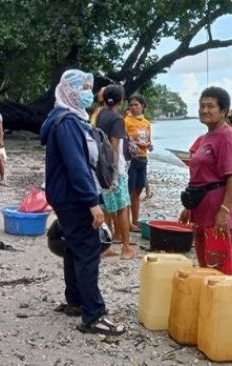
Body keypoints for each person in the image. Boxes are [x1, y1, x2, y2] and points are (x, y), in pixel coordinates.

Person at [40, 69, 125, 336]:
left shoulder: (67, 118)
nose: (89, 92)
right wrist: (92, 202)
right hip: (74, 197)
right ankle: (93, 315)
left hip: (67, 195)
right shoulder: (66, 122)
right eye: (85, 87)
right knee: (88, 251)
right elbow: (77, 166)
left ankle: (75, 301)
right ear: (71, 90)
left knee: (75, 248)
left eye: (90, 87)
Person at [179, 86, 232, 275]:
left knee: (220, 264)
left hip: (218, 208)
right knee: (205, 261)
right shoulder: (206, 137)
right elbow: (199, 176)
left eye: (211, 106)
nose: (205, 110)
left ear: (223, 111)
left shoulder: (227, 138)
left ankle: (224, 301)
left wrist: (224, 211)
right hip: (202, 207)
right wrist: (189, 207)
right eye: (202, 106)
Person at [96, 85, 134, 260]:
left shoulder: (100, 114)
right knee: (122, 208)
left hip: (99, 166)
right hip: (114, 169)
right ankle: (125, 248)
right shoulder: (118, 119)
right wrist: (114, 174)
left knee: (105, 208)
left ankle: (106, 246)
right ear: (121, 100)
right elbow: (114, 147)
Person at [124, 95, 152, 232]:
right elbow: (123, 141)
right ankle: (127, 222)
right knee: (129, 191)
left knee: (138, 191)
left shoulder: (146, 123)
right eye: (131, 105)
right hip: (131, 160)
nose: (134, 107)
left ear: (143, 106)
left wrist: (149, 145)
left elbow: (148, 140)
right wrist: (136, 144)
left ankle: (135, 222)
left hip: (142, 159)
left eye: (136, 105)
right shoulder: (126, 121)